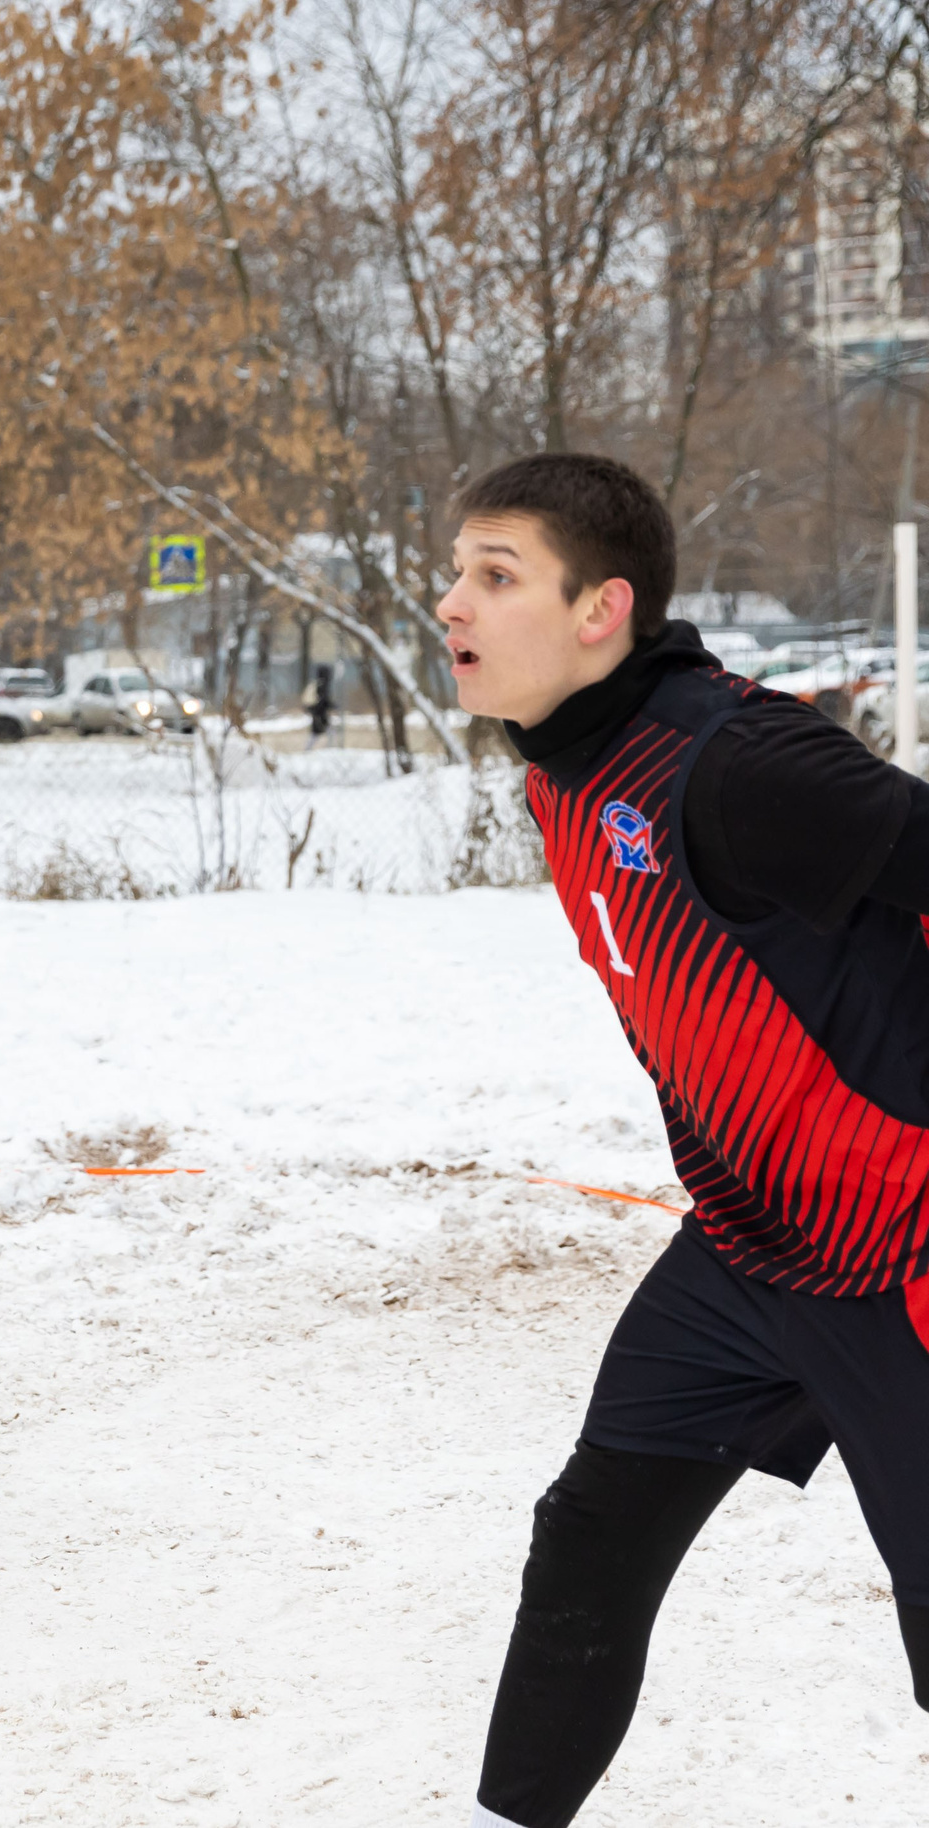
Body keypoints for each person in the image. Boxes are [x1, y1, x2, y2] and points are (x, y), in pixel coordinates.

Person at [439, 452, 929, 1826]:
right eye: (456, 571)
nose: (452, 603)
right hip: (747, 1249)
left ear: (601, 610)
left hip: (902, 1248)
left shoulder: (735, 762)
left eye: (495, 575)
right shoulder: (568, 768)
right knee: (591, 1540)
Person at [301, 662, 334, 748]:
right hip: (319, 713)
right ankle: (330, 748)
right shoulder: (322, 685)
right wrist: (331, 705)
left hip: (317, 712)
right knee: (317, 733)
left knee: (322, 733)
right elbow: (323, 700)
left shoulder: (319, 683)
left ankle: (330, 748)